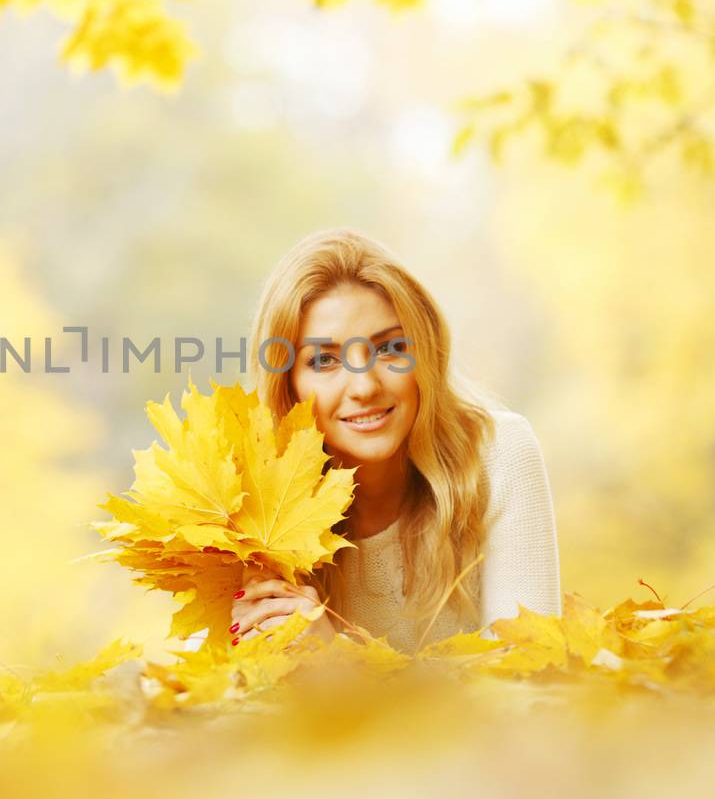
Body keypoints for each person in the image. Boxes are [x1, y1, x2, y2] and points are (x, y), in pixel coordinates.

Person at [230, 227, 561, 655]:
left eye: (388, 349)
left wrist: (342, 666)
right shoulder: (246, 509)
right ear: (288, 384)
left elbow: (531, 679)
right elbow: (217, 699)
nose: (364, 386)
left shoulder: (498, 457)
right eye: (325, 360)